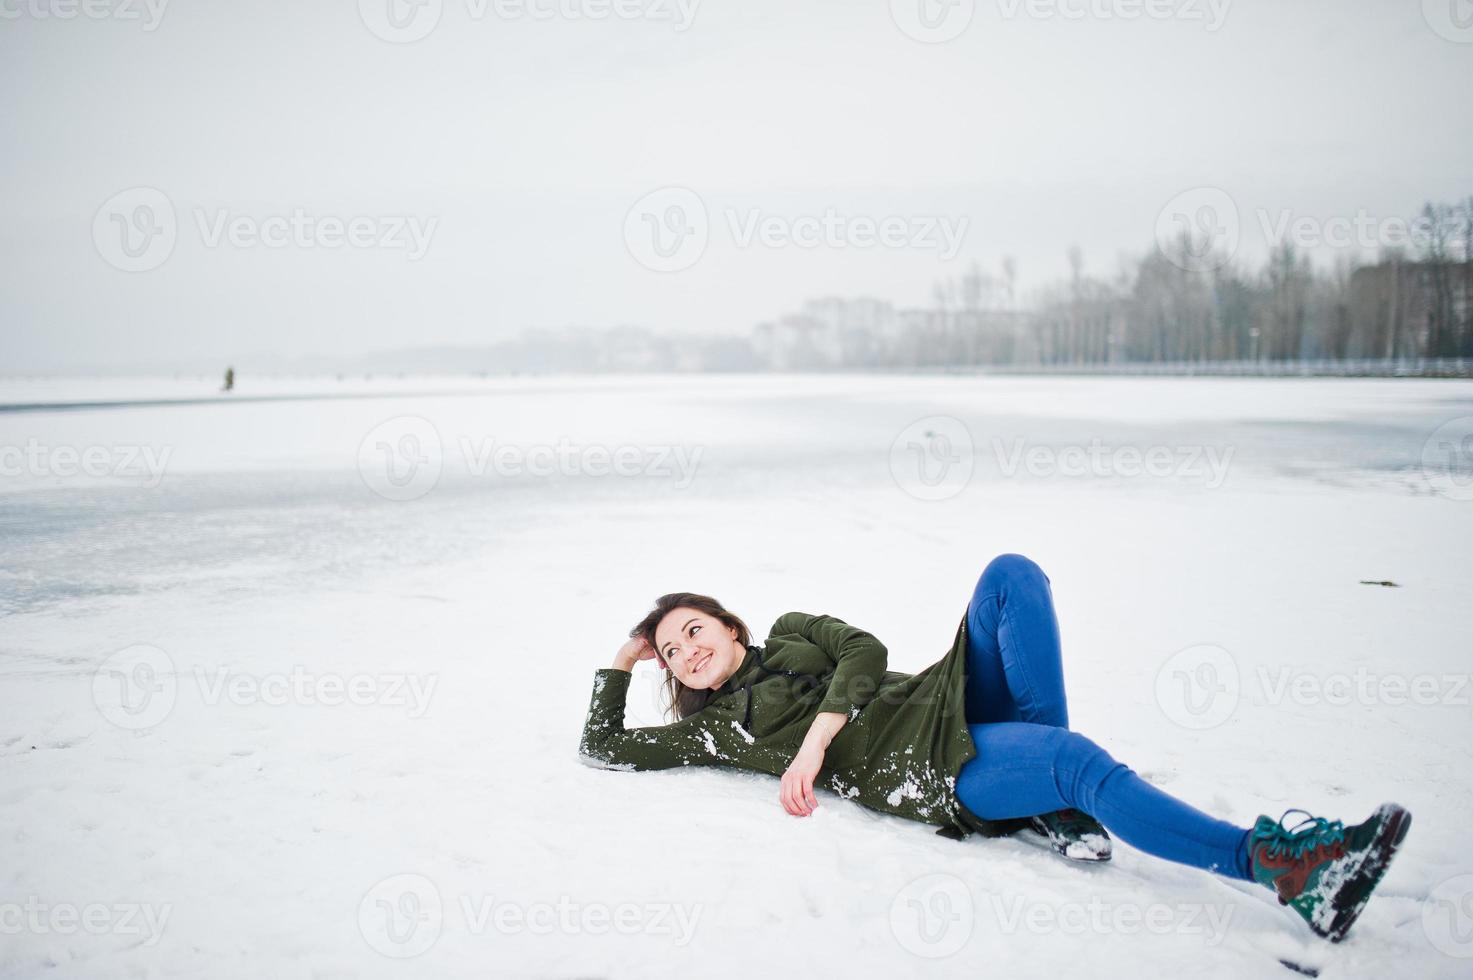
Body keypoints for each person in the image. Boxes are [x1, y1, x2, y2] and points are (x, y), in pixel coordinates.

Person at [579, 554, 1410, 943]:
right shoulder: (715, 729)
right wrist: (622, 661)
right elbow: (605, 745)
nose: (687, 650)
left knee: (1010, 576)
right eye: (672, 650)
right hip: (923, 768)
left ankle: (1046, 805)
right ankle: (1283, 869)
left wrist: (814, 741)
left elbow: (864, 650)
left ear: (729, 624)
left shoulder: (795, 628)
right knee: (1074, 760)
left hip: (938, 698)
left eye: (694, 628)